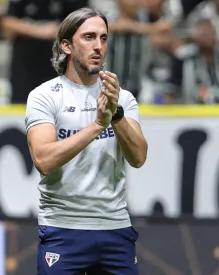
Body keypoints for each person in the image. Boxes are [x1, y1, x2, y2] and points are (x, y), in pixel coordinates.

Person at [25, 7, 148, 275]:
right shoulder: (45, 96)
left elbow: (138, 157)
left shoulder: (121, 98)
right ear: (67, 45)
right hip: (63, 228)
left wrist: (116, 115)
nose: (98, 47)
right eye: (89, 37)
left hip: (115, 226)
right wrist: (97, 126)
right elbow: (44, 160)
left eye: (103, 38)